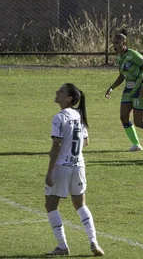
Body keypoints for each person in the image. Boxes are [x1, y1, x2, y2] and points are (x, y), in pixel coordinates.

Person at [45, 83, 105, 257]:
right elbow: (85, 142)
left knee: (50, 205)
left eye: (61, 91)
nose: (57, 92)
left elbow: (56, 145)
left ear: (69, 98)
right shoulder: (79, 115)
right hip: (78, 166)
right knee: (80, 205)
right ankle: (94, 241)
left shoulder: (59, 117)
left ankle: (63, 247)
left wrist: (49, 172)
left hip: (62, 167)